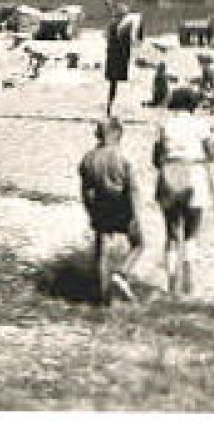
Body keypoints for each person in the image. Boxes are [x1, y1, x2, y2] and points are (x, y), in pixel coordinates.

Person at [152, 88, 214, 297]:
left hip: (170, 173)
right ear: (193, 105)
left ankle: (171, 284)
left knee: (172, 233)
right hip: (194, 174)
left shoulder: (165, 125)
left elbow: (156, 158)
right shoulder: (201, 125)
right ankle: (188, 283)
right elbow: (212, 154)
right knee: (191, 233)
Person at [78, 117, 150, 303]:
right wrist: (136, 216)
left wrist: (91, 212)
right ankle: (121, 274)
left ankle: (103, 299)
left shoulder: (88, 158)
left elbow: (86, 191)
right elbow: (133, 189)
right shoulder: (123, 157)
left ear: (98, 134)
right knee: (139, 244)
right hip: (122, 205)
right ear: (117, 134)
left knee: (102, 251)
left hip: (101, 205)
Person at [104, 5, 143, 115]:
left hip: (112, 57)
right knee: (115, 83)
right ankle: (111, 106)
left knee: (113, 84)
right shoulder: (122, 26)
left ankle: (110, 105)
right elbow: (132, 40)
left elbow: (107, 37)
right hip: (119, 57)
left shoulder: (113, 25)